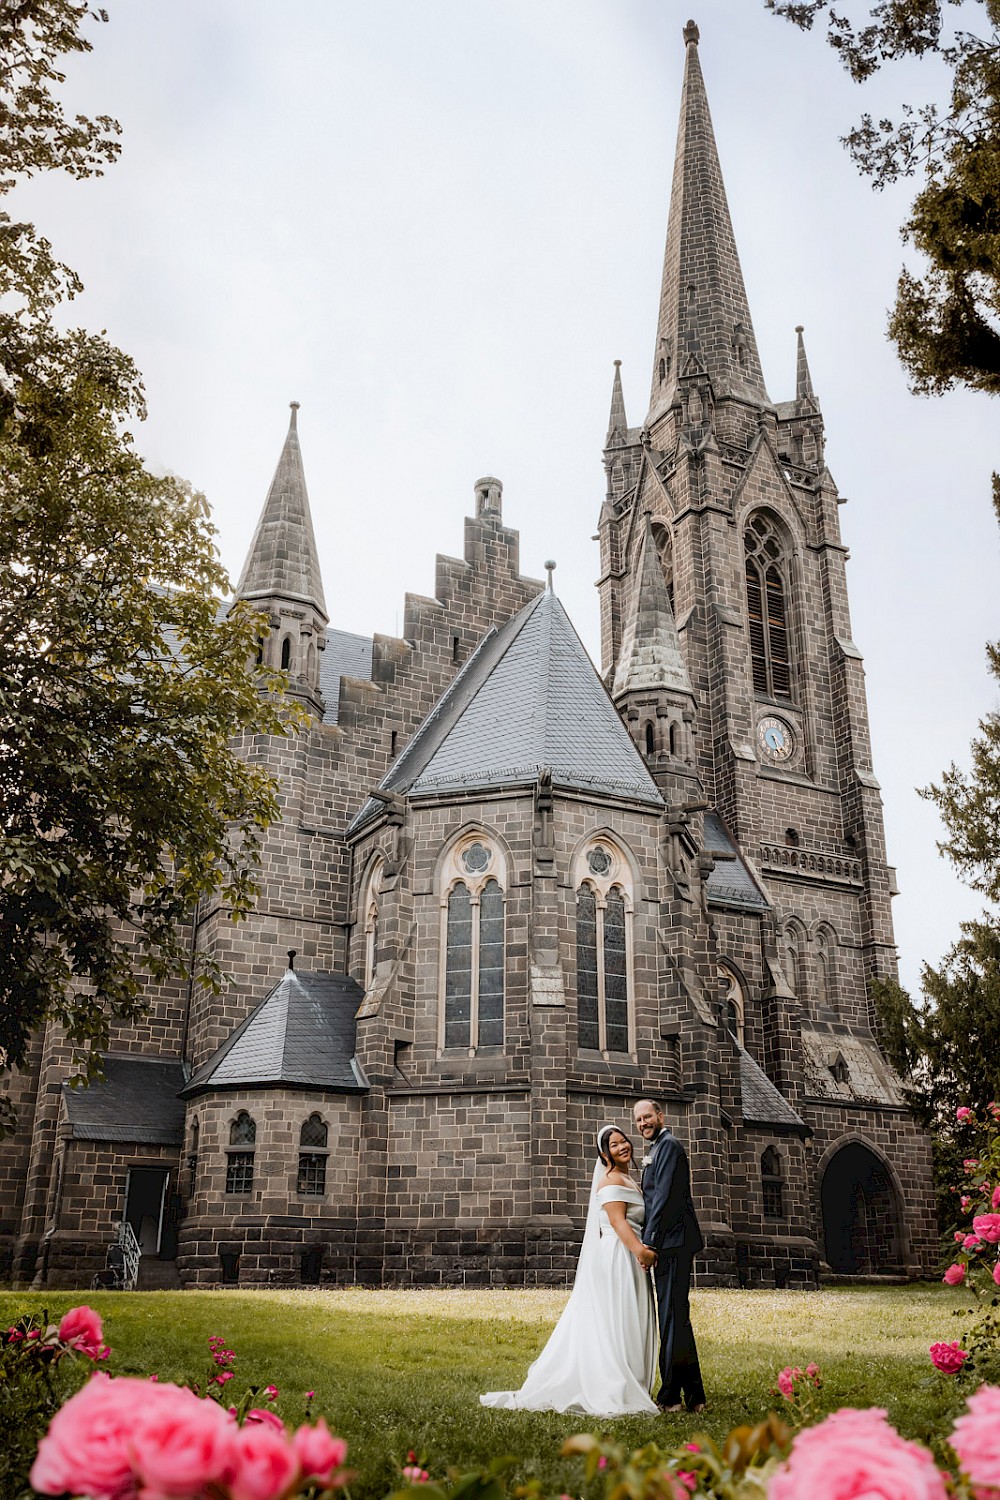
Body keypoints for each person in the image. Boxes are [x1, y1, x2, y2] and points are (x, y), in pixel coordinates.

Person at [480, 1125, 658, 1416]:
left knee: (630, 1315)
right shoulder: (611, 1181)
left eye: (623, 1141)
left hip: (630, 1254)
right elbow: (617, 1223)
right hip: (619, 1255)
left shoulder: (629, 1179)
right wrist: (641, 1252)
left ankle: (634, 1379)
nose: (622, 1146)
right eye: (614, 1145)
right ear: (604, 1153)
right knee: (619, 1315)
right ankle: (615, 1383)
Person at [633, 1097, 707, 1413]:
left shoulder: (670, 1147)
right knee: (677, 1318)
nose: (643, 1123)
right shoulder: (657, 1149)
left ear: (660, 1116)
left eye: (647, 1117)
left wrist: (649, 1244)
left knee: (672, 1318)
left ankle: (670, 1397)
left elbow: (662, 1198)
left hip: (672, 1244)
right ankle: (695, 1396)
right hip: (671, 1242)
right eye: (638, 1120)